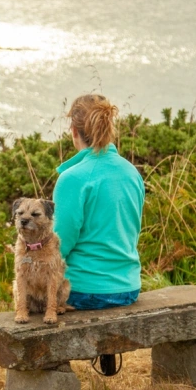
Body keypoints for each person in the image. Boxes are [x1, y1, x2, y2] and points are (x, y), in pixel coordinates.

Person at [52, 94, 145, 311]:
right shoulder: (132, 173)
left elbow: (58, 245)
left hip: (82, 291)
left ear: (74, 131)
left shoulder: (72, 178)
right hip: (129, 288)